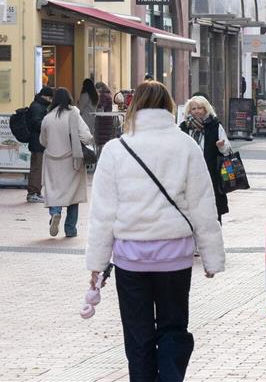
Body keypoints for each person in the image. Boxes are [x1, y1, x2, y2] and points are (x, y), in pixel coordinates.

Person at [86, 81, 225, 381]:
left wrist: (96, 266)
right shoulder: (186, 145)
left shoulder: (116, 149)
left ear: (135, 107)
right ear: (169, 107)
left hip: (130, 258)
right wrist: (212, 258)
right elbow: (203, 205)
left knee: (138, 335)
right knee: (174, 327)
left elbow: (102, 214)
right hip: (174, 256)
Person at [39, 88, 93, 238]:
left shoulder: (48, 117)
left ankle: (55, 213)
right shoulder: (74, 114)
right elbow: (87, 137)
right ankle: (70, 229)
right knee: (73, 194)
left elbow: (42, 141)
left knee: (54, 191)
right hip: (71, 161)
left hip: (52, 161)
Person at [179, 95, 233, 222]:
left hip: (211, 175)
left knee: (213, 212)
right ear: (188, 111)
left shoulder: (214, 126)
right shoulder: (183, 127)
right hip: (188, 176)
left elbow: (227, 151)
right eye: (193, 109)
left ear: (206, 109)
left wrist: (222, 145)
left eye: (200, 108)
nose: (197, 111)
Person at [25, 86, 54, 204]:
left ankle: (36, 192)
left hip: (38, 141)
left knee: (38, 167)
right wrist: (48, 123)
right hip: (37, 142)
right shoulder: (37, 107)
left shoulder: (39, 105)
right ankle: (33, 193)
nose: (51, 100)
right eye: (50, 98)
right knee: (37, 168)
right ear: (45, 96)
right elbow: (37, 123)